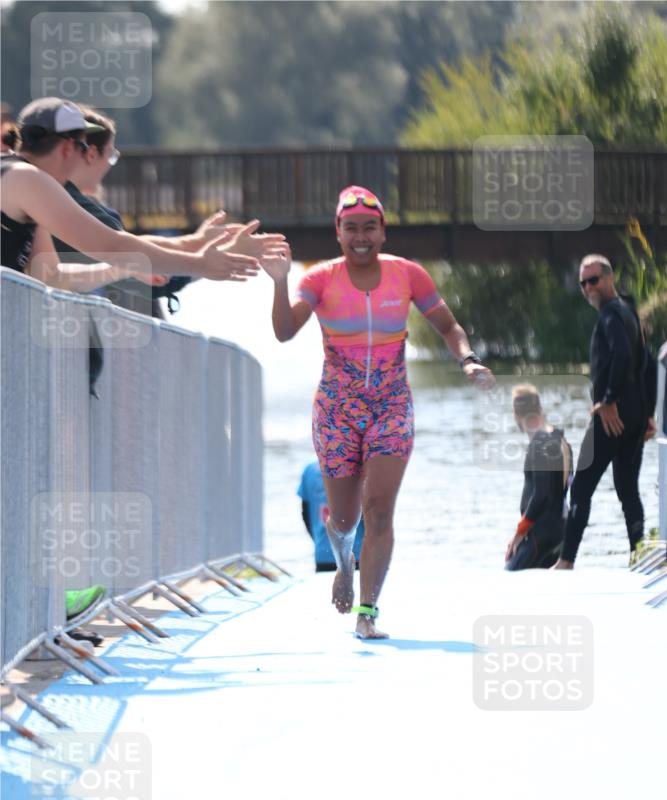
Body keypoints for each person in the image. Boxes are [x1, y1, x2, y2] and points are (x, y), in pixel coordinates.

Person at [262, 185, 494, 639]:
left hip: (391, 406)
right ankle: (343, 557)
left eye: (370, 227)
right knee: (346, 517)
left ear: (384, 232)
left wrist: (467, 359)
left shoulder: (407, 276)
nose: (361, 236)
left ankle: (368, 613)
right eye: (351, 228)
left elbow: (448, 326)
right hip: (336, 411)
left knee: (381, 511)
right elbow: (285, 332)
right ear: (338, 232)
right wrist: (278, 281)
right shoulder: (320, 279)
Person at [0, 97, 285, 288]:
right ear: (66, 148)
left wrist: (125, 268)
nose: (84, 158)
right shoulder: (27, 179)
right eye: (84, 148)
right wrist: (200, 264)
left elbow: (52, 277)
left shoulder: (24, 183)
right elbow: (113, 245)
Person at [51, 106, 223, 317]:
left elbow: (130, 248)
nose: (110, 165)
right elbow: (136, 270)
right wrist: (210, 260)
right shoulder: (68, 201)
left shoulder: (50, 191)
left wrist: (198, 244)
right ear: (91, 154)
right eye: (111, 155)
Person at [553, 254, 657, 569]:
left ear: (609, 279)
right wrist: (648, 413)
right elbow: (648, 365)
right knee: (628, 490)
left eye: (594, 280)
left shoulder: (611, 315)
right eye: (583, 283)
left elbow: (624, 356)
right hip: (635, 416)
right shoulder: (629, 312)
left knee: (581, 486)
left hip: (611, 418)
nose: (588, 288)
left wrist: (609, 400)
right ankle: (639, 555)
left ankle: (566, 562)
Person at [505, 385, 572, 570]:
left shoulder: (540, 442)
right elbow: (567, 485)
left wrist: (520, 532)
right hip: (560, 529)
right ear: (540, 409)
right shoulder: (560, 439)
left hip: (540, 533)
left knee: (510, 578)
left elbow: (542, 494)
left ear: (516, 414)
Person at [298, 460, 364, 572]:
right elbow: (373, 516)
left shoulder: (309, 470)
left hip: (323, 554)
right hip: (356, 554)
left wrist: (320, 541)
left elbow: (305, 514)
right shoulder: (360, 468)